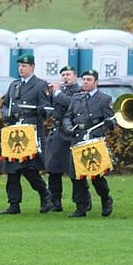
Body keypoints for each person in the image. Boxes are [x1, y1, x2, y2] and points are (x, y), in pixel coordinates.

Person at [0, 54, 53, 214]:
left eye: (25, 66)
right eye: (20, 65)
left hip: (30, 130)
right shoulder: (14, 85)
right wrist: (5, 114)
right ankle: (14, 204)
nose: (21, 68)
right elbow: (6, 104)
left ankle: (44, 194)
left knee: (29, 168)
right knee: (12, 168)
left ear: (32, 67)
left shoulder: (40, 84)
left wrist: (40, 110)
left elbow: (45, 108)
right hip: (14, 130)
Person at [62, 69, 115, 217]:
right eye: (84, 79)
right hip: (77, 137)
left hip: (94, 140)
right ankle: (81, 206)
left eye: (89, 79)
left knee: (96, 176)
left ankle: (105, 199)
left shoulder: (104, 99)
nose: (85, 82)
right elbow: (68, 116)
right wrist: (67, 127)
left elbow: (112, 121)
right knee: (76, 176)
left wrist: (109, 123)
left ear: (96, 82)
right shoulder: (76, 98)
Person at [44, 64, 81, 212]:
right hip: (57, 132)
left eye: (68, 75)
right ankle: (55, 201)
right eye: (63, 75)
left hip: (71, 134)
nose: (65, 77)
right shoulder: (59, 91)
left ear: (75, 76)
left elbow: (72, 104)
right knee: (53, 169)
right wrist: (49, 95)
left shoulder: (79, 91)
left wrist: (58, 93)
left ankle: (81, 201)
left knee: (74, 170)